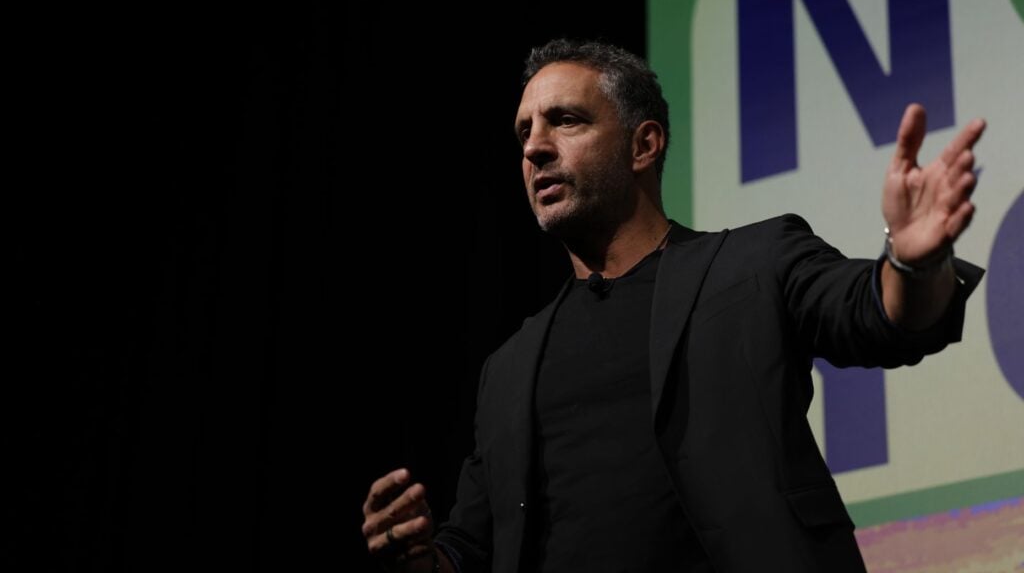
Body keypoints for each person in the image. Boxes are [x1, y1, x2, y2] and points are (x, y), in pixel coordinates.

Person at [360, 39, 985, 572]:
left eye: (565, 121)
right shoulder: (508, 368)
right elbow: (469, 549)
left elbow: (878, 315)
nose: (534, 149)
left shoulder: (753, 264)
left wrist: (912, 262)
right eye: (525, 131)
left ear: (644, 145)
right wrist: (418, 556)